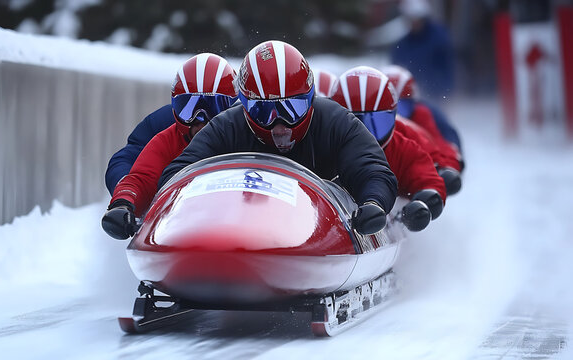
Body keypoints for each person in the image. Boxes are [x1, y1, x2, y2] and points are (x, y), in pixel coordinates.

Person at [151, 40, 398, 238]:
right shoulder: (227, 126)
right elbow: (181, 172)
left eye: (291, 108)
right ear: (245, 107)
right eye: (263, 111)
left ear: (310, 99)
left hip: (322, 223)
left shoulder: (336, 123)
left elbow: (371, 169)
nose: (279, 125)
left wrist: (373, 202)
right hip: (239, 222)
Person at [101, 53, 238, 239]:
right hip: (181, 218)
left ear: (233, 108)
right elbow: (139, 174)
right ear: (176, 108)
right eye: (188, 109)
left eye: (214, 109)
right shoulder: (165, 132)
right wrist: (124, 203)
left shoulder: (248, 130)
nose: (201, 121)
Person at [330, 65, 446, 231]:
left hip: (381, 221)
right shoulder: (322, 141)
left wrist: (423, 203)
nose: (366, 134)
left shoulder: (403, 149)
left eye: (376, 123)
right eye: (354, 123)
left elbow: (429, 181)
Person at [382, 64, 462, 194]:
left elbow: (439, 145)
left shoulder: (423, 115)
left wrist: (447, 167)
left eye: (400, 107)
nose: (397, 115)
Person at [390, 0, 454, 100]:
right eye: (411, 20)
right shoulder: (403, 44)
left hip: (436, 93)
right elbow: (396, 68)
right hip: (412, 95)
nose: (414, 24)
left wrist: (447, 92)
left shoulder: (438, 39)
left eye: (417, 20)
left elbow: (447, 67)